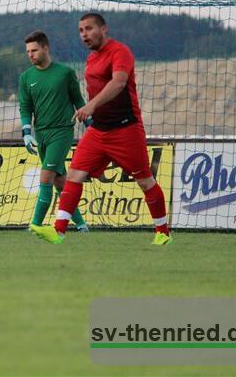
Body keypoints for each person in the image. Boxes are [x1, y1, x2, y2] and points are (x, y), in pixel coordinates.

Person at [32, 13, 172, 245]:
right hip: (99, 131)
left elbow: (118, 82)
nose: (84, 34)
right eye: (80, 30)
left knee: (145, 181)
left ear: (104, 29)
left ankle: (163, 232)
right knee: (74, 175)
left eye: (88, 29)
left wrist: (90, 106)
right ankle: (58, 231)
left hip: (126, 129)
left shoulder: (120, 52)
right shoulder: (91, 58)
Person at [19, 30, 89, 233]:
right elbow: (25, 107)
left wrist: (90, 126)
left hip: (62, 132)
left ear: (45, 48)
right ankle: (82, 225)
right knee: (60, 182)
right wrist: (26, 132)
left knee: (46, 176)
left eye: (34, 50)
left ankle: (35, 225)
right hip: (41, 134)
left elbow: (78, 101)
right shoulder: (26, 77)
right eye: (28, 51)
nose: (30, 55)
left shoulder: (65, 73)